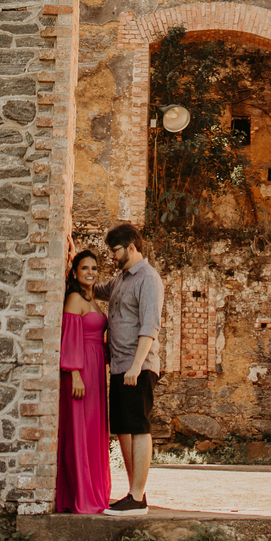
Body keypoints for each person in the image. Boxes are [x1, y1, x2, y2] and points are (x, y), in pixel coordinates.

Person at [98, 222, 164, 517]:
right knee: (124, 430)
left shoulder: (148, 279)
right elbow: (92, 288)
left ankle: (137, 497)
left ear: (131, 247)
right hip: (120, 366)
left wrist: (136, 366)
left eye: (115, 250)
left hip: (138, 367)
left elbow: (150, 325)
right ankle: (133, 494)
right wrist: (71, 261)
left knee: (139, 429)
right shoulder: (120, 279)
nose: (112, 256)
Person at [54, 248, 110, 514]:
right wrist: (74, 373)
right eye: (85, 268)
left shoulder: (94, 300)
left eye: (94, 268)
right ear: (75, 272)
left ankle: (96, 493)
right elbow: (70, 338)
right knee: (80, 431)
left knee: (94, 431)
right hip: (81, 371)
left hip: (97, 369)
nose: (90, 272)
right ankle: (80, 495)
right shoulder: (74, 299)